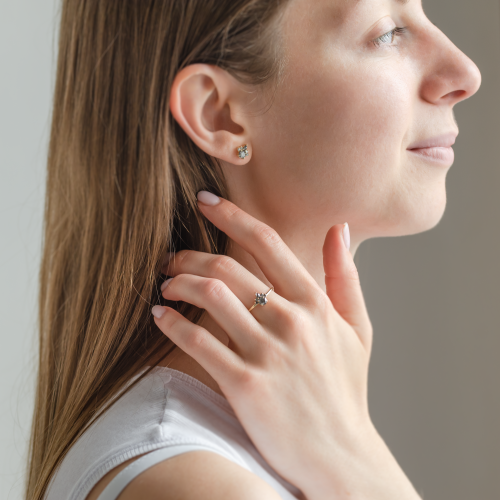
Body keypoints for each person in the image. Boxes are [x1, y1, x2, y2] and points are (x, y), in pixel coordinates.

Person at [26, 0, 481, 499]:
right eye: (387, 32)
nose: (464, 72)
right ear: (219, 114)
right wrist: (360, 462)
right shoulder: (198, 485)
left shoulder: (225, 450)